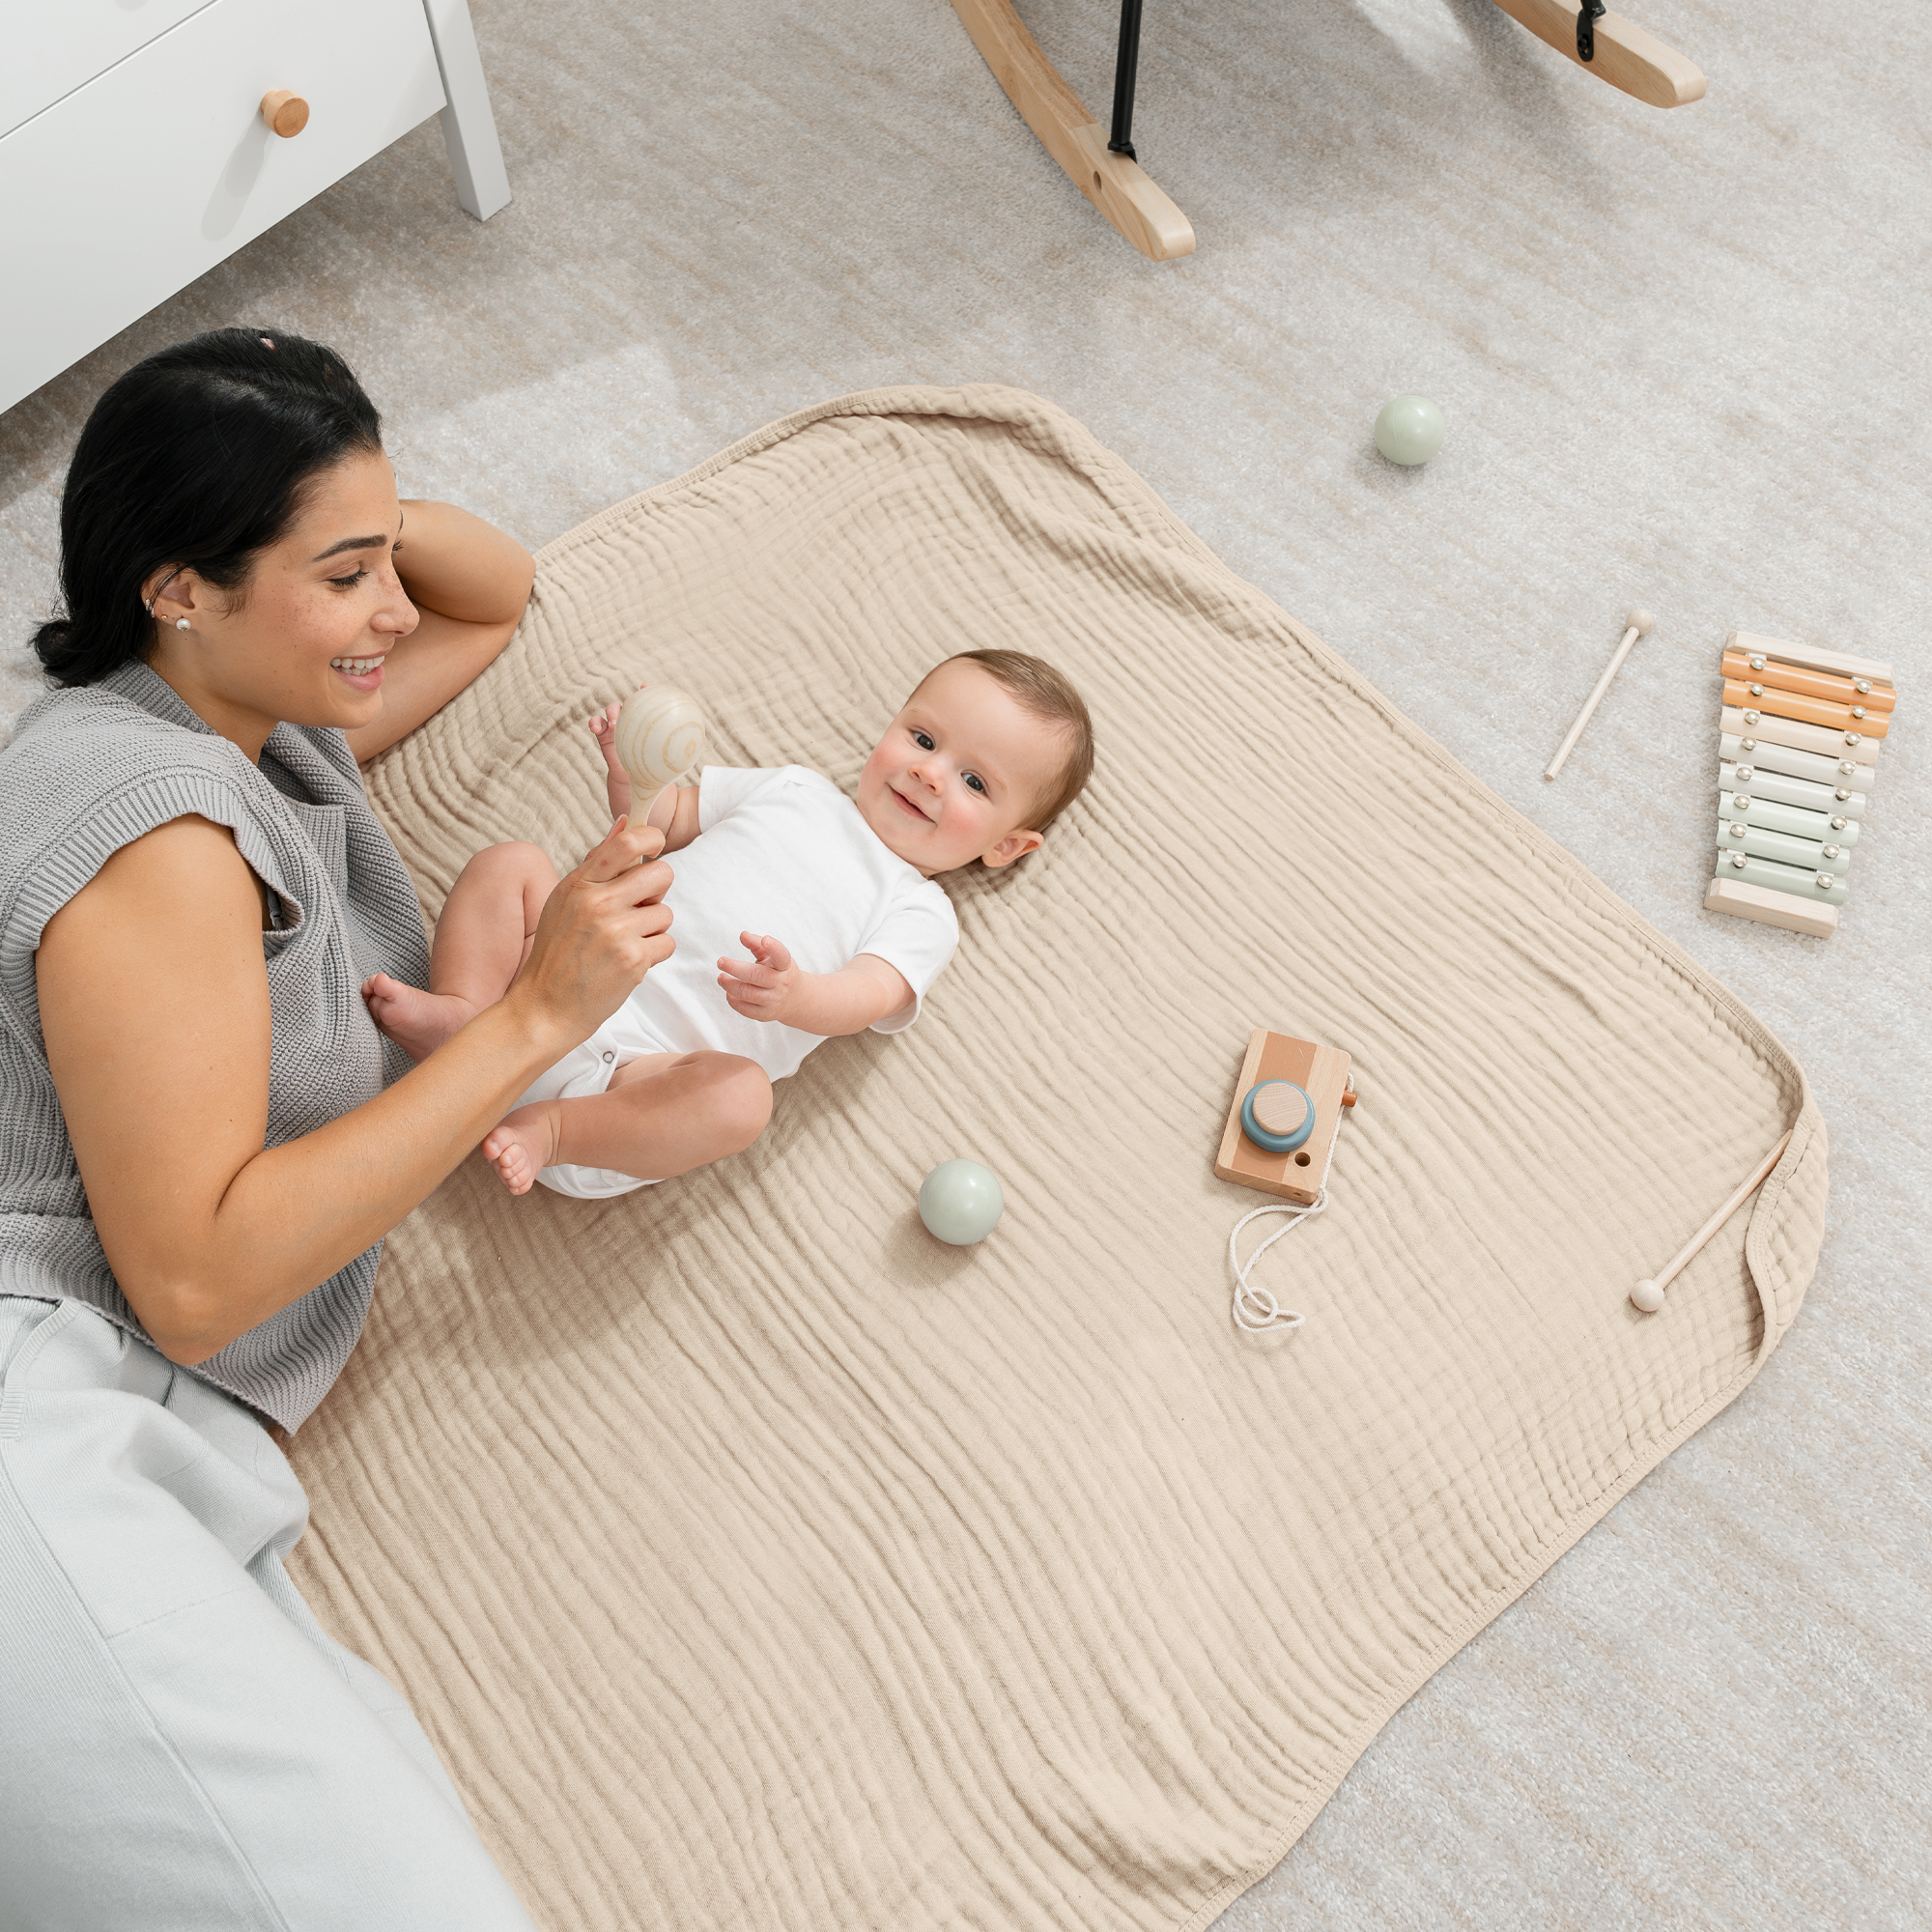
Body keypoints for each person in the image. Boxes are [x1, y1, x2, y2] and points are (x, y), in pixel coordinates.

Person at [0, 328, 671, 1929]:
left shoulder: (246, 720)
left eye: (384, 560)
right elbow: (198, 1280)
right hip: (50, 1407)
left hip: (175, 1451)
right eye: (346, 573)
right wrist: (533, 1020)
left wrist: (321, 473)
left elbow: (493, 598)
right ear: (181, 583)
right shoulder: (156, 827)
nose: (390, 612)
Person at [361, 650, 1094, 1197]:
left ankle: (551, 1130)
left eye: (974, 782)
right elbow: (662, 819)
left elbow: (868, 995)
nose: (930, 774)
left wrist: (796, 997)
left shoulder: (919, 908)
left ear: (1006, 846)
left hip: (634, 1078)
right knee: (511, 864)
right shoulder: (795, 790)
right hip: (548, 978)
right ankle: (464, 1019)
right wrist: (632, 771)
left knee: (742, 1098)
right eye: (924, 740)